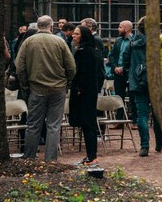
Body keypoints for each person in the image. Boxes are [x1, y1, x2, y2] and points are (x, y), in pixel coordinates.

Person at [16, 14, 76, 160]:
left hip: (36, 89)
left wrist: (25, 85)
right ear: (51, 26)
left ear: (37, 26)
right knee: (54, 126)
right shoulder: (60, 42)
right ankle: (50, 159)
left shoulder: (28, 42)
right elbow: (71, 67)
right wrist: (66, 83)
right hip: (57, 88)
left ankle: (30, 157)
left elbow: (20, 67)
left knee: (33, 125)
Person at [70, 26, 103, 165]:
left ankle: (91, 156)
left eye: (76, 34)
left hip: (84, 93)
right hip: (88, 92)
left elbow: (84, 73)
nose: (73, 36)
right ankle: (91, 155)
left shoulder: (85, 52)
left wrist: (79, 89)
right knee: (88, 124)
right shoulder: (91, 51)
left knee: (88, 124)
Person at [126, 21, 158, 156]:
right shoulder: (158, 42)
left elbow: (126, 60)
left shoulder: (133, 42)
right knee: (158, 115)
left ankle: (144, 146)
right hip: (155, 82)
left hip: (137, 82)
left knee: (142, 115)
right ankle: (160, 141)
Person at [109, 20, 133, 99]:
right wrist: (115, 67)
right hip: (117, 74)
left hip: (129, 73)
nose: (118, 29)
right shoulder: (118, 40)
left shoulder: (134, 41)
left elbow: (133, 58)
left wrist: (123, 68)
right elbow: (111, 55)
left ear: (126, 29)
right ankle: (120, 112)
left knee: (132, 98)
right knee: (118, 98)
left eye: (120, 27)